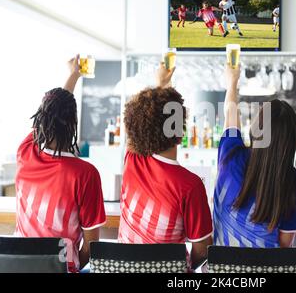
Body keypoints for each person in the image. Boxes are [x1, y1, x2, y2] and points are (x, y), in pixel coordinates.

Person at [15, 55, 106, 272]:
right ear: (73, 124)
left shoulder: (25, 152)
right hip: (61, 268)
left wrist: (72, 75)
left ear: (41, 120)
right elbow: (91, 246)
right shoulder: (85, 174)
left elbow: (50, 113)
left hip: (15, 266)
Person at [118, 64, 213, 270]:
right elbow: (203, 249)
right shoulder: (190, 185)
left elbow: (138, 126)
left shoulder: (132, 161)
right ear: (181, 133)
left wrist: (160, 84)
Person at [213, 63, 296, 248]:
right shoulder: (295, 181)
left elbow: (230, 113)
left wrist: (232, 83)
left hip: (220, 273)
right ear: (292, 141)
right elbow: (284, 245)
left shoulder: (231, 156)